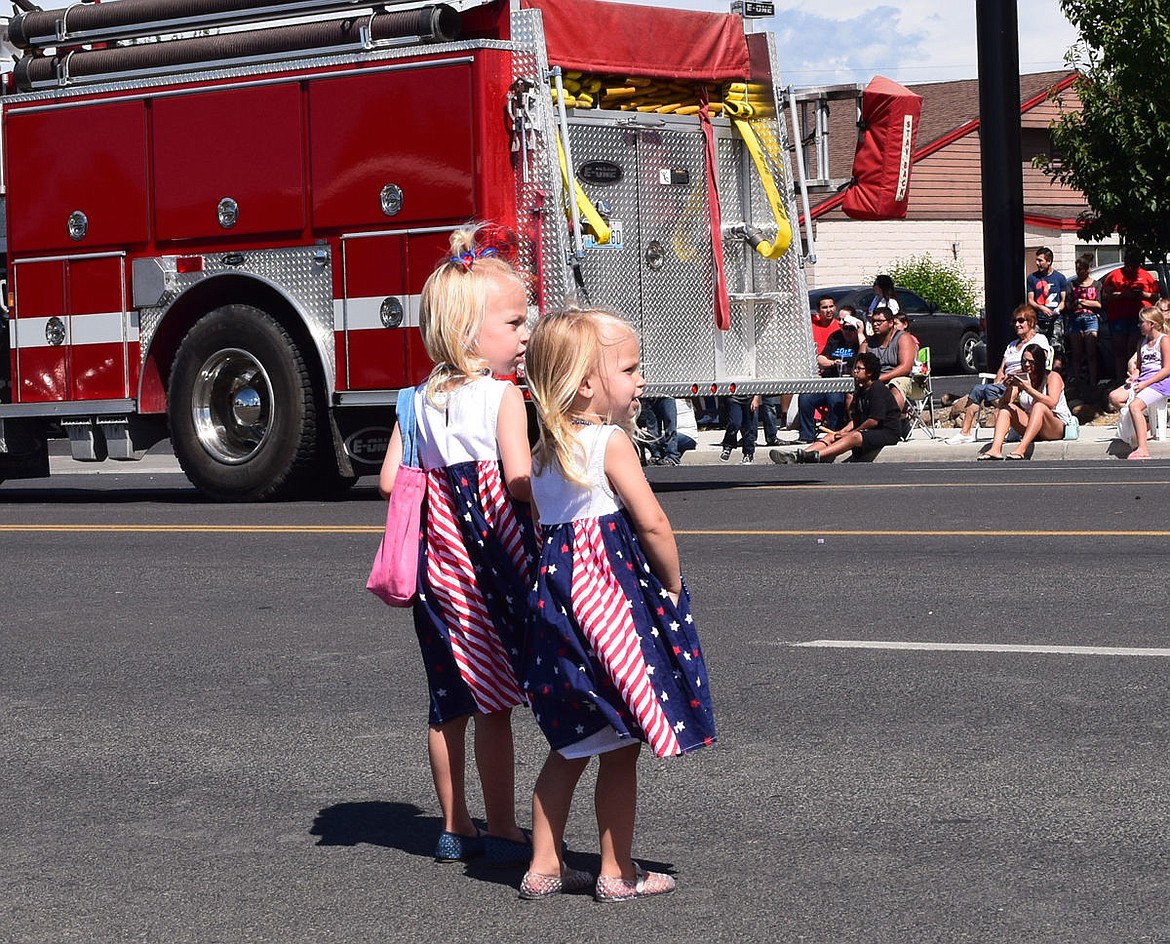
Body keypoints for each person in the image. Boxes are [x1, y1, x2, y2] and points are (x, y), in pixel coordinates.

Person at [519, 307, 715, 902]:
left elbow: (541, 533)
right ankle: (616, 871)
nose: (640, 381)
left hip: (555, 613)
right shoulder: (609, 441)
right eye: (629, 369)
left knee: (569, 745)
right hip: (609, 615)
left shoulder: (542, 451)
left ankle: (543, 866)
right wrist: (673, 584)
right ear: (586, 383)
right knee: (622, 746)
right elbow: (652, 522)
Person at [377, 225, 536, 867]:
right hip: (489, 572)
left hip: (433, 573)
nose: (527, 334)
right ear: (471, 331)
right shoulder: (503, 397)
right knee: (495, 704)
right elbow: (521, 483)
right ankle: (502, 826)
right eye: (516, 322)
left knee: (447, 704)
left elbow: (390, 480)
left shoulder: (414, 403)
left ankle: (453, 825)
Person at [944, 304, 1052, 445]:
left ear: (1031, 322)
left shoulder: (1039, 340)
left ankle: (1014, 423)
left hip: (1024, 383)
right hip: (1006, 383)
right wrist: (997, 382)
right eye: (1015, 322)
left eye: (1021, 321)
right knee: (978, 389)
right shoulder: (1012, 345)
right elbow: (1002, 368)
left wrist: (1016, 375)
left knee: (1008, 390)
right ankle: (965, 432)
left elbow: (1040, 364)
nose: (1017, 325)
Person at [770, 351, 900, 463]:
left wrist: (853, 432)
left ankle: (815, 456)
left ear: (870, 372)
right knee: (833, 435)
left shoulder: (877, 389)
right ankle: (798, 455)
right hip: (868, 432)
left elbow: (874, 420)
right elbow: (855, 420)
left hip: (886, 433)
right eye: (855, 368)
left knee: (853, 437)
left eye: (859, 369)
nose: (854, 371)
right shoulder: (861, 390)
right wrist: (842, 432)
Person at [977, 342, 1072, 460]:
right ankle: (995, 449)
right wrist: (1009, 387)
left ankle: (1021, 449)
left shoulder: (1052, 377)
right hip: (1032, 425)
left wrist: (1027, 388)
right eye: (1024, 361)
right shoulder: (1022, 377)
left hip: (1054, 426)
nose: (1027, 365)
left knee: (1039, 406)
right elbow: (1003, 404)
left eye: (1031, 362)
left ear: (1040, 362)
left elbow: (1052, 403)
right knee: (1007, 409)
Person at [794, 308, 866, 443]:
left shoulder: (862, 340)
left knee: (835, 398)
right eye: (845, 328)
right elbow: (820, 358)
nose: (848, 332)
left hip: (849, 384)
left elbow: (865, 354)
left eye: (851, 329)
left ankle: (834, 433)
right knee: (805, 397)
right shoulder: (835, 337)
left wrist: (860, 332)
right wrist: (833, 362)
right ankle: (806, 436)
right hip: (830, 381)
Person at [1106, 306, 1170, 459]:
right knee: (1114, 397)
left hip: (1160, 382)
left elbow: (1167, 369)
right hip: (1143, 380)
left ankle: (1142, 448)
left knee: (1134, 406)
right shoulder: (1141, 342)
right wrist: (1134, 376)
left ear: (1152, 324)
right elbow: (1140, 367)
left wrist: (1146, 383)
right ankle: (1143, 421)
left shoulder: (1164, 340)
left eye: (1142, 322)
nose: (1139, 325)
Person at [1102, 250, 1158, 383]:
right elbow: (1105, 296)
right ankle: (1120, 379)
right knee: (1119, 350)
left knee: (1133, 349)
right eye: (1129, 264)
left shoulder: (1146, 276)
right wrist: (1123, 294)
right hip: (1118, 317)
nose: (1131, 267)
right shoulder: (1114, 275)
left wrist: (1142, 294)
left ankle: (1134, 377)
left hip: (1140, 318)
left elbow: (1156, 296)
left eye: (1134, 265)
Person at [1064, 252, 1103, 392]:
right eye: (1077, 269)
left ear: (1088, 269)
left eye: (1081, 269)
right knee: (1076, 353)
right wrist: (1076, 304)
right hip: (1075, 319)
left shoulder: (1097, 285)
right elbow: (1068, 306)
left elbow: (1099, 304)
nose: (1079, 271)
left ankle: (1093, 382)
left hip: (1091, 319)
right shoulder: (1071, 285)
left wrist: (1082, 301)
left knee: (1091, 352)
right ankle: (1078, 382)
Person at [867, 305, 917, 412]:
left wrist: (880, 378)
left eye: (879, 321)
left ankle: (892, 422)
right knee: (850, 390)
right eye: (873, 321)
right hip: (874, 379)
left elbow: (905, 368)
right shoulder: (868, 342)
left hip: (902, 378)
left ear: (890, 323)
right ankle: (854, 424)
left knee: (896, 385)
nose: (875, 324)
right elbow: (859, 363)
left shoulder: (903, 338)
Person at [1026, 246, 1069, 349]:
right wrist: (1041, 308)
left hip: (1055, 320)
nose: (1037, 263)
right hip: (1038, 320)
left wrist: (1058, 309)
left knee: (1056, 349)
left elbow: (1063, 301)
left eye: (1040, 260)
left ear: (1049, 261)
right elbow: (1030, 300)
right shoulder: (1032, 278)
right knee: (1035, 349)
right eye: (1036, 260)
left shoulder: (1060, 278)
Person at [637, 396, 680, 465]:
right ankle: (656, 455)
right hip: (650, 396)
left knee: (670, 427)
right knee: (652, 429)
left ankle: (672, 456)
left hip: (666, 394)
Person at [719, 393, 760, 463]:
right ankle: (728, 446)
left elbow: (757, 383)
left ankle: (748, 454)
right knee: (734, 423)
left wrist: (756, 398)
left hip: (749, 397)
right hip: (733, 397)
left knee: (749, 427)